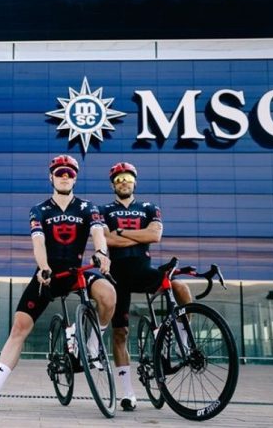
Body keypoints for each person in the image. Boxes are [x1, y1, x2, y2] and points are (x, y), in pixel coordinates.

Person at [0, 154, 116, 411]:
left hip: (76, 272)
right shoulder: (39, 210)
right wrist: (44, 267)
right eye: (60, 173)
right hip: (47, 275)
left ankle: (92, 346)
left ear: (75, 178)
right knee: (19, 327)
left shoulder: (88, 208)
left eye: (70, 173)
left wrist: (102, 253)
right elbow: (38, 242)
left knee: (109, 293)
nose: (65, 177)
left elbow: (98, 234)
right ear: (51, 177)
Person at [99, 162, 192, 411]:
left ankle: (183, 341)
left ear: (135, 182)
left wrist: (120, 233)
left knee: (181, 288)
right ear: (113, 185)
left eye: (127, 178)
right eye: (118, 179)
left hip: (143, 271)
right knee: (120, 334)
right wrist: (135, 234)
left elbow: (154, 236)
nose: (123, 182)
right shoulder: (103, 210)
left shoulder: (150, 207)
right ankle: (127, 394)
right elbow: (106, 239)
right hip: (117, 276)